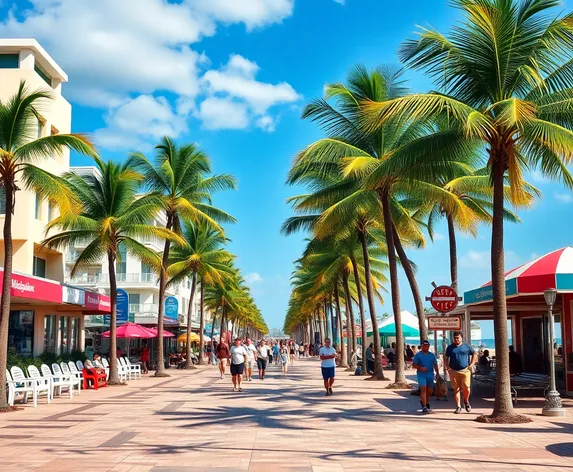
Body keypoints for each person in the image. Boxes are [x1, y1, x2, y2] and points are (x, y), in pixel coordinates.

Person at [445, 331, 477, 414]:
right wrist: (447, 367)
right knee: (456, 389)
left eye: (458, 338)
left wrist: (472, 364)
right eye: (455, 338)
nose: (456, 339)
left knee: (467, 387)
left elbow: (474, 354)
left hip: (465, 370)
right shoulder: (450, 347)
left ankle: (466, 401)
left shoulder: (466, 346)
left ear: (461, 338)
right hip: (454, 371)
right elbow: (445, 357)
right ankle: (458, 406)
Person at [412, 340, 440, 414]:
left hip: (430, 374)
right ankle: (424, 406)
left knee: (430, 390)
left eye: (427, 345)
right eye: (424, 345)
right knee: (423, 389)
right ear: (421, 346)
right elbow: (414, 365)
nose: (426, 347)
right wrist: (421, 368)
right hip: (421, 375)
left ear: (429, 346)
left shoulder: (432, 355)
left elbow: (435, 365)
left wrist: (437, 373)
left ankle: (425, 400)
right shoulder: (418, 355)